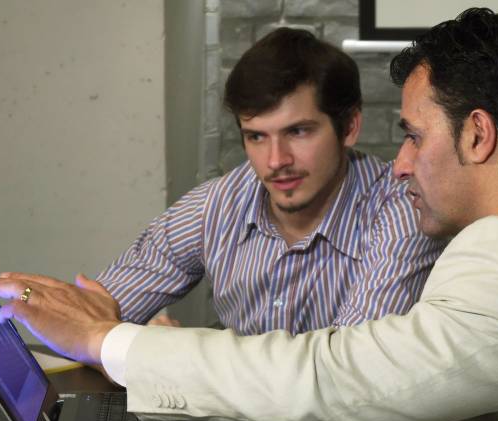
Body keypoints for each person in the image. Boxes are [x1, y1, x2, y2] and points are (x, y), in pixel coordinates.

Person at [0, 8, 498, 421]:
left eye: (414, 136)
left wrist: (113, 341)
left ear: (477, 134)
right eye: (256, 137)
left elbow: (336, 379)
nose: (401, 163)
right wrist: (101, 328)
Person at [93, 27, 443, 336]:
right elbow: (89, 318)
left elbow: (348, 371)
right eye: (257, 137)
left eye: (298, 131)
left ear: (349, 127)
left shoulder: (403, 210)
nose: (276, 161)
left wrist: (175, 356)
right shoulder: (217, 204)